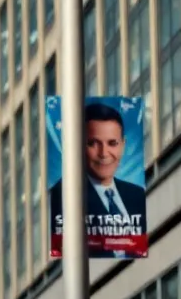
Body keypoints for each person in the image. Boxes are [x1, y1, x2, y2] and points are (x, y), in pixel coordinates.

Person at [47, 101, 147, 259]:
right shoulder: (62, 196)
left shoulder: (136, 194)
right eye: (93, 143)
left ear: (123, 145)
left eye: (112, 143)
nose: (104, 153)